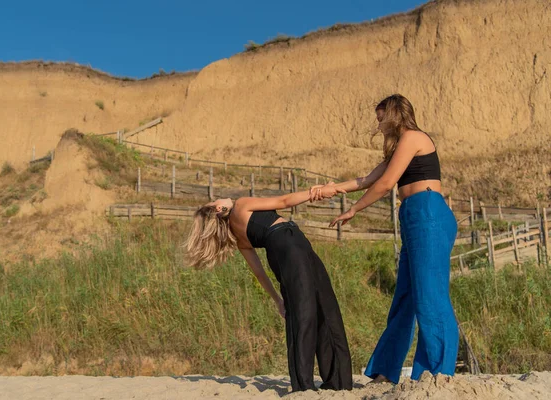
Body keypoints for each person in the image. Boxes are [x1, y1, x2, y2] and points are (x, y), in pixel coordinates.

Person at [312, 94, 458, 384]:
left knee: (430, 297)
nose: (378, 125)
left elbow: (386, 183)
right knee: (404, 299)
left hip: (428, 214)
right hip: (415, 217)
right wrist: (331, 189)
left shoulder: (413, 137)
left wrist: (354, 209)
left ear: (394, 114)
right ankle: (385, 371)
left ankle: (437, 374)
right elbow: (366, 180)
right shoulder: (397, 151)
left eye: (381, 118)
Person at [185, 188, 353, 392]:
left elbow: (259, 273)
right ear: (219, 208)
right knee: (312, 312)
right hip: (290, 247)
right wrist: (316, 192)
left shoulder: (238, 237)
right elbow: (284, 201)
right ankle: (309, 385)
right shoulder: (241, 204)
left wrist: (278, 300)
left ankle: (333, 382)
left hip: (294, 247)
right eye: (214, 200)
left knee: (317, 309)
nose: (218, 197)